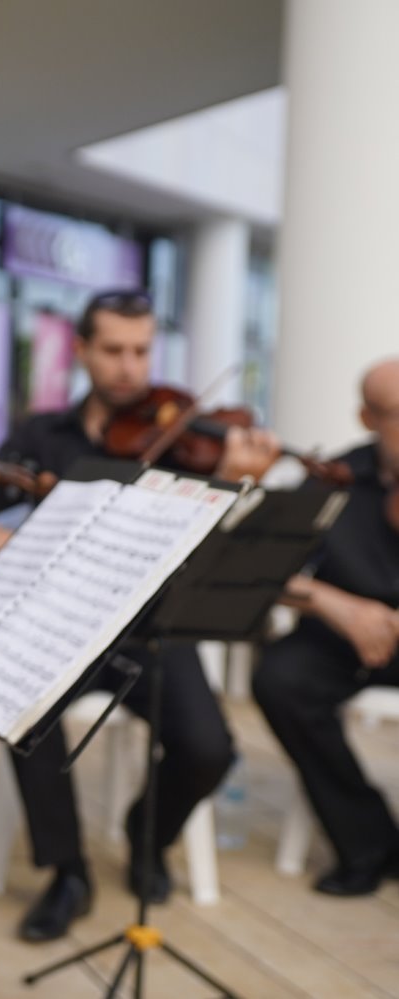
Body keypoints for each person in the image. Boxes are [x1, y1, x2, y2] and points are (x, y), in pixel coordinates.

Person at [0, 288, 283, 942]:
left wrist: (236, 485)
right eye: (114, 350)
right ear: (84, 349)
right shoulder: (41, 434)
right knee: (22, 714)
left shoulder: (183, 437)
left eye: (142, 350)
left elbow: (214, 552)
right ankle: (68, 871)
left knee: (209, 748)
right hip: (58, 626)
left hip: (151, 630)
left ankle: (146, 836)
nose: (129, 367)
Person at [254, 357, 399, 897]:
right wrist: (336, 605)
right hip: (343, 639)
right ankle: (368, 841)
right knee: (280, 679)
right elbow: (263, 570)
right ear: (366, 417)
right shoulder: (330, 479)